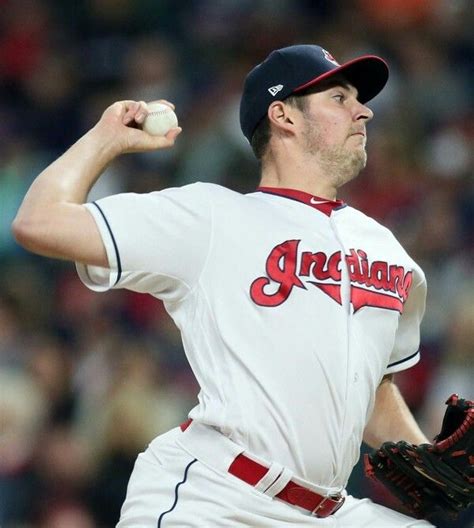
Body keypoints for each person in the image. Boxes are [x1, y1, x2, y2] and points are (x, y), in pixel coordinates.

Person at [12, 44, 435, 527]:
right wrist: (106, 139)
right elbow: (39, 222)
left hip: (332, 511)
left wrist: (424, 458)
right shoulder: (211, 217)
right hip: (217, 498)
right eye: (339, 98)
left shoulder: (387, 250)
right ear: (284, 116)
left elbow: (373, 388)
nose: (365, 110)